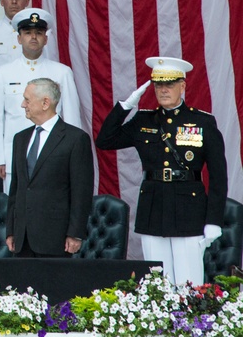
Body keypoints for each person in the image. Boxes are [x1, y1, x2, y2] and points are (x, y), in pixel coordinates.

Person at [97, 57, 227, 284]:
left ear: (182, 86)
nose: (163, 90)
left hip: (189, 210)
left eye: (169, 84)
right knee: (158, 282)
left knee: (189, 283)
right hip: (154, 208)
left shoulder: (202, 122)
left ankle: (189, 321)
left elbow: (218, 178)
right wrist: (125, 106)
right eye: (158, 85)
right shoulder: (143, 120)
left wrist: (213, 220)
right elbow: (105, 140)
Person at [0, 8, 80, 191]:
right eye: (28, 33)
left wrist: (72, 157)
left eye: (39, 33)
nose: (33, 37)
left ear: (46, 39)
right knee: (16, 211)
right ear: (19, 38)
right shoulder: (2, 74)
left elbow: (72, 119)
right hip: (13, 156)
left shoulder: (62, 73)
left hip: (53, 156)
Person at [6, 78, 93, 257]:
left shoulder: (75, 139)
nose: (23, 105)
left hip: (55, 238)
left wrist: (75, 233)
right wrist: (11, 230)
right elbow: (16, 188)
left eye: (27, 100)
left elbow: (81, 191)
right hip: (23, 239)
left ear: (45, 103)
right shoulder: (20, 139)